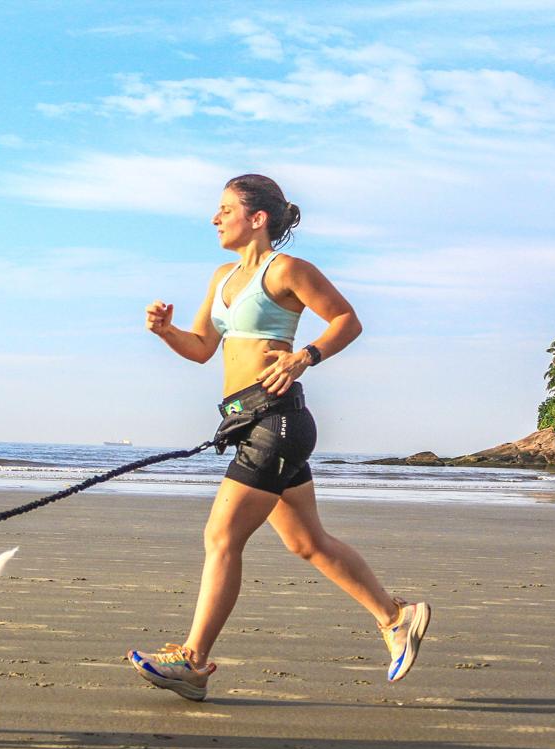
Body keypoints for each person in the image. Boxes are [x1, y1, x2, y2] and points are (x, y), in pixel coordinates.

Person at [126, 174, 430, 701]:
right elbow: (201, 348)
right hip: (248, 421)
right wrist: (164, 332)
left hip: (277, 421)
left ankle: (193, 662)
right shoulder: (222, 276)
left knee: (222, 537)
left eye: (225, 208)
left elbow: (346, 320)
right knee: (306, 541)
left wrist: (303, 356)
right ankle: (396, 616)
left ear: (257, 217)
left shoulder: (286, 270)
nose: (215, 217)